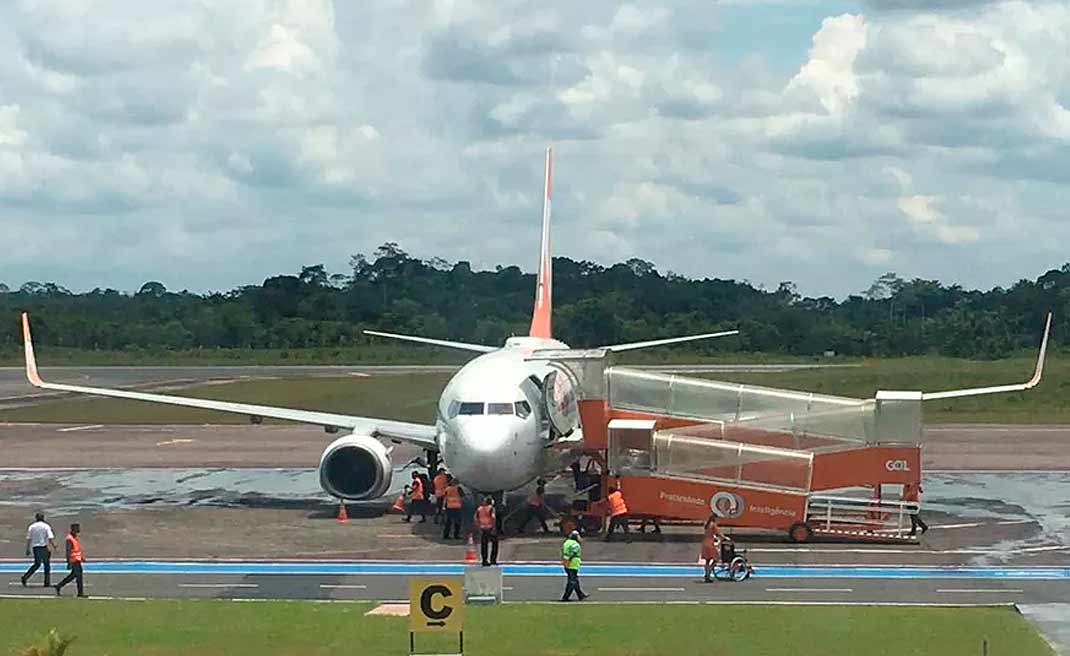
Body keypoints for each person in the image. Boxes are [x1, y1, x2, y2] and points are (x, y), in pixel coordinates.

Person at [21, 512, 56, 588]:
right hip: (43, 547)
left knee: (38, 564)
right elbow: (50, 538)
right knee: (46, 565)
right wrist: (54, 546)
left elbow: (29, 539)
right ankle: (46, 582)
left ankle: (26, 577)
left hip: (36, 547)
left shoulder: (32, 527)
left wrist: (27, 549)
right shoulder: (46, 526)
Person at [55, 523, 86, 598]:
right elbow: (68, 551)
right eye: (77, 528)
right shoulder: (69, 538)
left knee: (73, 576)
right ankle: (80, 593)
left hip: (77, 559)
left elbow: (77, 549)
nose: (79, 529)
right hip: (73, 560)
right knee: (79, 576)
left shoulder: (75, 537)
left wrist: (81, 557)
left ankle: (59, 585)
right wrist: (68, 562)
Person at [560, 530, 587, 602]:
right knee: (572, 581)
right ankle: (565, 597)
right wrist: (567, 561)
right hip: (572, 564)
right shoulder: (575, 544)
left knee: (574, 580)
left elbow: (564, 552)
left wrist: (564, 561)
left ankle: (580, 595)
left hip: (569, 563)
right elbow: (571, 553)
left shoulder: (566, 543)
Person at [474, 496, 499, 566]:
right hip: (490, 528)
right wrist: (494, 527)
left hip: (483, 528)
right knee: (494, 544)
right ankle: (493, 560)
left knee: (484, 545)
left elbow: (475, 518)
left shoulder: (479, 509)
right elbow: (493, 517)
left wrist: (479, 526)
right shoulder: (491, 508)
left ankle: (484, 560)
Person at [701, 513, 725, 582]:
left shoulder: (707, 525)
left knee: (707, 560)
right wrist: (724, 537)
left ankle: (706, 575)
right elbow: (718, 533)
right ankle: (709, 573)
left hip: (705, 543)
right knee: (716, 559)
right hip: (710, 543)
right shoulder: (713, 525)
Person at [441, 475, 465, 540]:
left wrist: (443, 507)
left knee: (448, 522)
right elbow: (463, 496)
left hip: (449, 506)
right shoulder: (458, 488)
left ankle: (446, 535)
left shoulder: (447, 489)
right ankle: (456, 535)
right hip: (457, 506)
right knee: (457, 522)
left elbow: (445, 498)